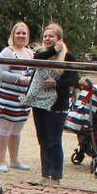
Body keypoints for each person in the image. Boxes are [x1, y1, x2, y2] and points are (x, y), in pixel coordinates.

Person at [27, 22, 79, 184]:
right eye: (45, 36)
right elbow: (35, 60)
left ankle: (56, 177)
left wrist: (56, 82)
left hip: (57, 104)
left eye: (51, 36)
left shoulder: (68, 56)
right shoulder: (41, 53)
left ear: (59, 39)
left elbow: (74, 79)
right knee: (42, 139)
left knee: (54, 140)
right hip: (39, 103)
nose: (48, 38)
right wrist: (53, 51)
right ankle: (45, 175)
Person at [0, 20, 35, 170]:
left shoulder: (30, 53)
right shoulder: (7, 52)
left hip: (24, 100)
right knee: (4, 129)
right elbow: (1, 73)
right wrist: (19, 78)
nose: (21, 36)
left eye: (24, 33)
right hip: (7, 98)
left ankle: (14, 160)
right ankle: (2, 161)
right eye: (18, 33)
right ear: (13, 35)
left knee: (17, 131)